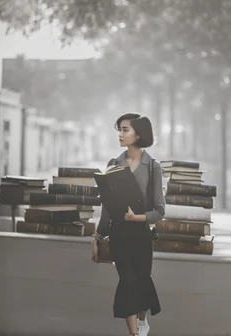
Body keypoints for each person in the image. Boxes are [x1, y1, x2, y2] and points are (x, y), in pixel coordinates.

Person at [92, 112, 165, 336]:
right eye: (119, 129)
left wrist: (138, 218)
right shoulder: (113, 164)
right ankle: (134, 334)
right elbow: (107, 207)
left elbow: (160, 211)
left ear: (139, 134)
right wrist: (97, 237)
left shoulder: (153, 167)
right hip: (119, 235)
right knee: (127, 281)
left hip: (142, 235)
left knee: (141, 281)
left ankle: (142, 324)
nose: (120, 134)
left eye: (125, 130)